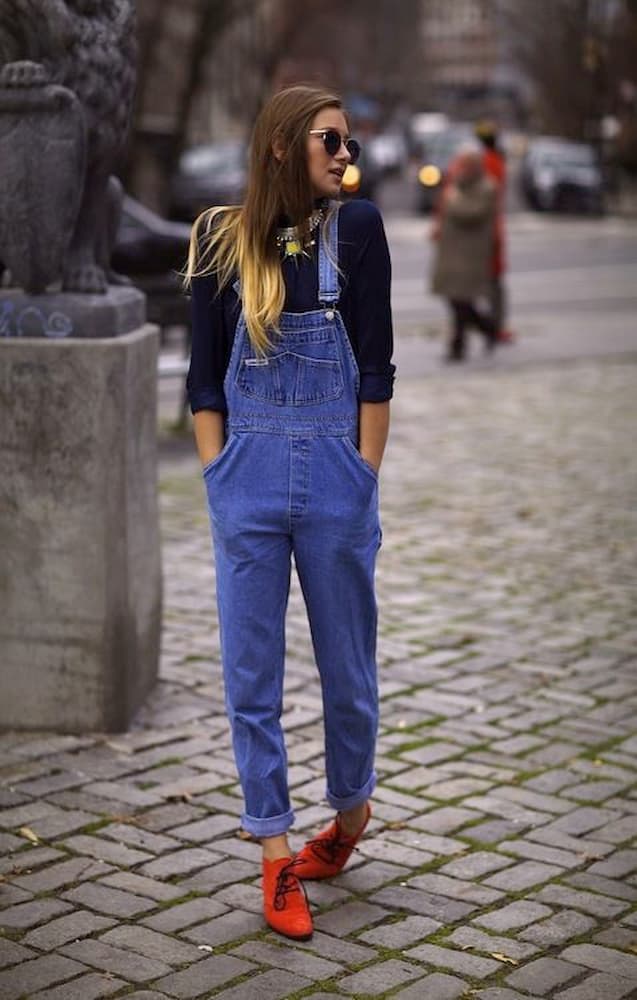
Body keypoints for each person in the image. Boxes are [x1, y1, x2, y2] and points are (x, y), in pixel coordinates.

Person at [184, 85, 395, 942]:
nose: (346, 155)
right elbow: (204, 379)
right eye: (329, 141)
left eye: (347, 141)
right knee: (251, 680)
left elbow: (376, 368)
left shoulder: (361, 230)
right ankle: (273, 854)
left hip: (336, 485)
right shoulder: (218, 241)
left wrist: (362, 474)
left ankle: (348, 818)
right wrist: (221, 476)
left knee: (348, 675)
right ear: (281, 148)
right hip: (249, 485)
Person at [431, 143, 498, 361]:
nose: (462, 168)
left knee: (461, 301)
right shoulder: (458, 184)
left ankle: (459, 345)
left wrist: (453, 199)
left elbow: (471, 213)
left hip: (469, 256)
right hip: (453, 254)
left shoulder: (486, 187)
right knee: (457, 301)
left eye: (467, 164)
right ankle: (487, 329)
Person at [475, 120, 514, 343]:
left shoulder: (486, 163)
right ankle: (495, 325)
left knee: (488, 281)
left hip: (486, 230)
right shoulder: (497, 161)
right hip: (493, 227)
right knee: (494, 282)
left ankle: (492, 326)